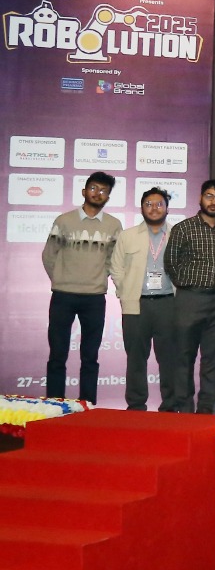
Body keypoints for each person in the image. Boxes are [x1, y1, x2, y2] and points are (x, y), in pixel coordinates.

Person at [42, 171, 121, 403]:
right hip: (63, 296)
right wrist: (61, 279)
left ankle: (87, 405)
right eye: (94, 188)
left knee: (90, 357)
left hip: (94, 298)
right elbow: (49, 255)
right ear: (84, 191)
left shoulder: (114, 225)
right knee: (57, 355)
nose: (98, 193)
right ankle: (55, 404)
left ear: (108, 197)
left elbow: (113, 260)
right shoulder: (64, 221)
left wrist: (98, 278)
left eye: (103, 190)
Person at [165, 179, 215, 413]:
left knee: (213, 358)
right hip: (190, 299)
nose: (214, 202)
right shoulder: (183, 228)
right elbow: (171, 263)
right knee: (183, 357)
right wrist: (190, 285)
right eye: (209, 196)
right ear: (200, 198)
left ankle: (206, 408)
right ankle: (184, 408)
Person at [110, 186, 176, 411]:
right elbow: (116, 267)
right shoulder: (127, 236)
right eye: (149, 204)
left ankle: (170, 406)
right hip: (136, 305)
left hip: (169, 303)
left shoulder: (177, 234)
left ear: (167, 208)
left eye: (159, 204)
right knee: (136, 358)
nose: (154, 208)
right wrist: (126, 291)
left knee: (169, 358)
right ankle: (136, 405)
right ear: (141, 208)